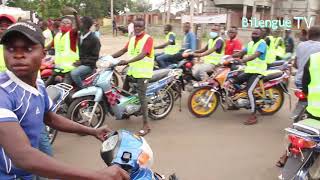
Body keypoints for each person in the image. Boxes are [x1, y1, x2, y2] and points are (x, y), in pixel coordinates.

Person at [0, 21, 129, 180]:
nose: (18, 55)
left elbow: (50, 117)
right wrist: (96, 175)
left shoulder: (38, 84)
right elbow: (22, 155)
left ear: (44, 53)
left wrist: (91, 131)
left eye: (28, 48)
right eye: (10, 48)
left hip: (27, 173)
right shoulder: (3, 92)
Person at [276, 26, 320, 168]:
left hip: (303, 84)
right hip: (312, 87)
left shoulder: (301, 46)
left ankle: (285, 155)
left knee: (301, 124)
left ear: (308, 35)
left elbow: (296, 64)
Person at [111, 18, 154, 137]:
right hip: (132, 72)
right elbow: (122, 50)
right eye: (135, 26)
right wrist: (108, 57)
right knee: (123, 94)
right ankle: (127, 112)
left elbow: (143, 54)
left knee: (142, 98)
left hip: (143, 74)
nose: (137, 28)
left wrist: (127, 61)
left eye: (140, 26)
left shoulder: (148, 39)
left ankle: (146, 125)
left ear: (144, 27)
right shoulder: (132, 39)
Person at [231, 28, 268, 125]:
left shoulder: (262, 44)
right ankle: (236, 103)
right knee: (234, 81)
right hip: (249, 70)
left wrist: (243, 60)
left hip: (258, 72)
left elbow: (256, 55)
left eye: (256, 34)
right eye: (253, 33)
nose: (254, 35)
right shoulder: (251, 44)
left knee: (249, 90)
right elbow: (242, 52)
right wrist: (231, 56)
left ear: (261, 35)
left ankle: (253, 115)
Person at [46, 8, 80, 86]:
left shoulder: (72, 34)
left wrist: (75, 14)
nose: (64, 23)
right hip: (58, 67)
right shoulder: (58, 35)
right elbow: (49, 46)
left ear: (71, 26)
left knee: (64, 89)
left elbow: (79, 26)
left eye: (67, 23)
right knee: (46, 85)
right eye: (63, 22)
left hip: (70, 67)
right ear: (60, 24)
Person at [71, 16, 101, 89]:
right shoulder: (80, 36)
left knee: (74, 74)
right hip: (81, 62)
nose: (78, 24)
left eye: (80, 23)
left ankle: (84, 89)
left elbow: (94, 58)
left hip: (89, 65)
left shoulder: (94, 39)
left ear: (85, 25)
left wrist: (81, 62)